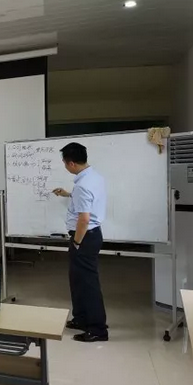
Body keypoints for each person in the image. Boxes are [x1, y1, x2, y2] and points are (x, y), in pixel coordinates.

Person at [53, 142, 108, 342]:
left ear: (72, 163)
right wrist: (69, 194)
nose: (65, 166)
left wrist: (76, 243)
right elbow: (88, 199)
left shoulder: (83, 185)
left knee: (87, 284)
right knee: (77, 280)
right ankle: (81, 318)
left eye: (65, 163)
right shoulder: (94, 177)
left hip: (84, 237)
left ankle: (98, 329)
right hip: (89, 236)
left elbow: (84, 219)